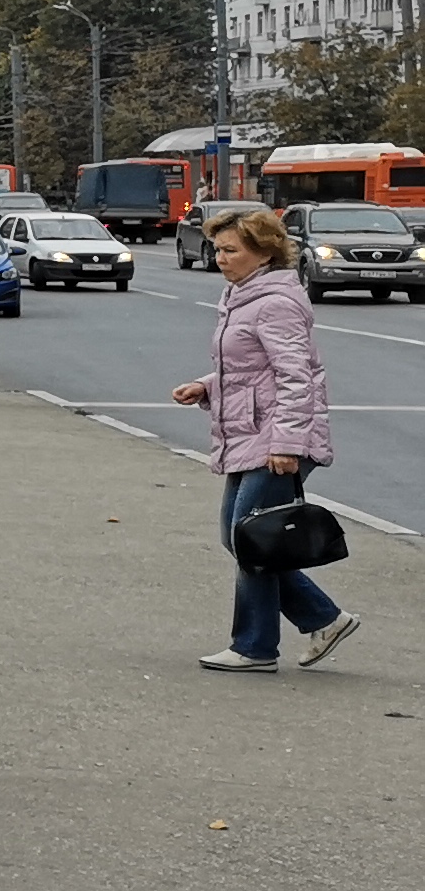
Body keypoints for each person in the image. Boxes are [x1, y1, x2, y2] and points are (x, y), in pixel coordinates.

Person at [173, 204, 361, 671]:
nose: (220, 258)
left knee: (250, 538)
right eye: (218, 249)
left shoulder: (275, 303)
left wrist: (287, 444)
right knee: (241, 537)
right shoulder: (241, 296)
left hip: (276, 438)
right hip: (250, 434)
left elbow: (297, 377)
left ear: (263, 253)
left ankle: (254, 647)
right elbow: (250, 371)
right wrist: (208, 386)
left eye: (230, 250)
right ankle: (323, 618)